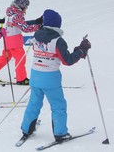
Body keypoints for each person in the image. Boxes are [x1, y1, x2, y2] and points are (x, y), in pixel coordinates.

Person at [20, 9, 91, 142]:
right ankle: (60, 133)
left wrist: (77, 51)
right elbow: (67, 60)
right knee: (58, 105)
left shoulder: (36, 35)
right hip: (50, 77)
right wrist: (81, 50)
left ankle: (26, 129)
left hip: (35, 75)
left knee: (34, 103)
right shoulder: (58, 40)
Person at [0, 0, 43, 85]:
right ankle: (21, 79)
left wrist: (36, 22)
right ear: (21, 6)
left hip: (8, 38)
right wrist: (38, 27)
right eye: (26, 6)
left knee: (6, 56)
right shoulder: (17, 15)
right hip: (14, 40)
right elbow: (25, 28)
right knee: (20, 58)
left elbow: (21, 24)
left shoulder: (12, 13)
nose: (27, 8)